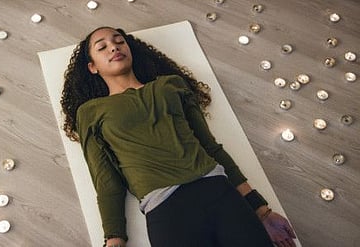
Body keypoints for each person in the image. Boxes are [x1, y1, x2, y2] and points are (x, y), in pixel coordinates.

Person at [61, 26, 297, 247]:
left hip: (219, 193)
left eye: (119, 42)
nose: (114, 47)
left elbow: (211, 147)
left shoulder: (170, 86)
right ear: (93, 67)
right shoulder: (90, 112)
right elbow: (106, 180)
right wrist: (114, 239)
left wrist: (261, 210)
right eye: (102, 47)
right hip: (167, 211)